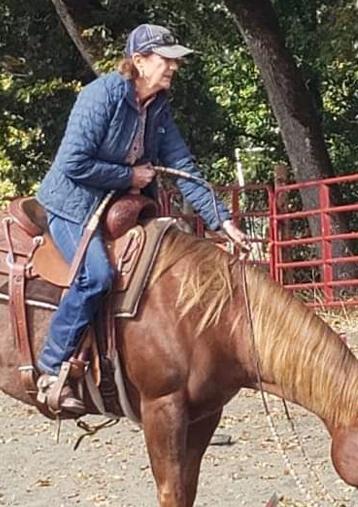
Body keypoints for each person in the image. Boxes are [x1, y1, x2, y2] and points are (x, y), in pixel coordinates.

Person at [34, 23, 249, 414]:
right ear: (139, 61)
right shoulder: (101, 96)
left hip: (120, 207)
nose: (173, 68)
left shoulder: (159, 107)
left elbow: (182, 165)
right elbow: (73, 163)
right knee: (95, 276)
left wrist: (222, 222)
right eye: (165, 60)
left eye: (174, 61)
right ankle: (51, 366)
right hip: (72, 203)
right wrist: (129, 176)